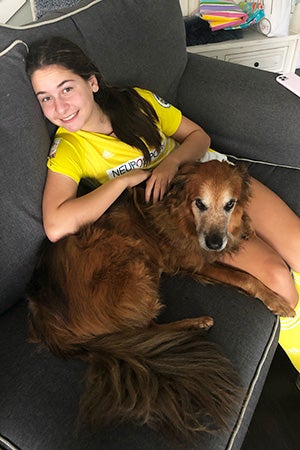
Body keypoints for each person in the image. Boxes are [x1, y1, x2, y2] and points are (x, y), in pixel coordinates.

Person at [26, 37, 300, 373]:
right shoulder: (69, 148)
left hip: (218, 178)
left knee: (299, 248)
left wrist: (171, 164)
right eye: (46, 98)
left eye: (66, 89)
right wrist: (123, 180)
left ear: (92, 82)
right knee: (279, 281)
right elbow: (56, 225)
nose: (60, 107)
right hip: (180, 213)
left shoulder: (137, 101)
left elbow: (199, 136)